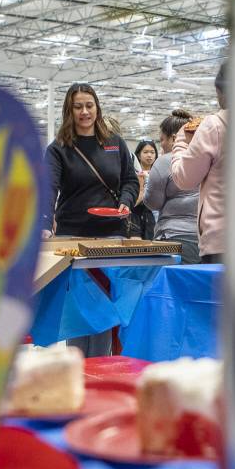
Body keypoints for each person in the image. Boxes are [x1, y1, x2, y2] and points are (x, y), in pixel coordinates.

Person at [43, 84, 138, 357]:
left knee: (106, 310)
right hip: (72, 238)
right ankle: (78, 369)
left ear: (97, 107)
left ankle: (101, 366)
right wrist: (44, 224)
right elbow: (49, 187)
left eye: (89, 105)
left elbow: (130, 180)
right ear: (69, 111)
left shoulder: (115, 143)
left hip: (111, 236)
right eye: (78, 107)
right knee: (78, 311)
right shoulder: (59, 149)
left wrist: (126, 201)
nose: (85, 112)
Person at [171, 62, 229, 264]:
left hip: (221, 240)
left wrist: (180, 143)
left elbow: (184, 179)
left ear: (220, 90)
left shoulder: (215, 125)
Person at [144, 110, 200, 264]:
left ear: (174, 138)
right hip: (205, 237)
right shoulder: (206, 159)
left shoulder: (164, 161)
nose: (160, 144)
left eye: (162, 139)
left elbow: (153, 203)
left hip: (173, 236)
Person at [130, 140, 159, 240]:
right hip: (135, 216)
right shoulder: (132, 174)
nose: (149, 155)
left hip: (152, 218)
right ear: (138, 154)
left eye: (152, 152)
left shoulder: (159, 174)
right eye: (145, 152)